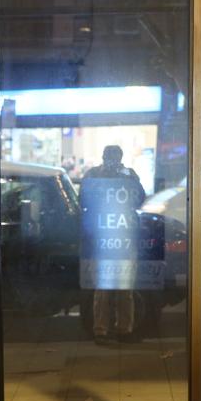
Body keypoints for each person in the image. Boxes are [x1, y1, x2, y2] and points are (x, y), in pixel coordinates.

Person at [80, 145, 146, 345]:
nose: (112, 162)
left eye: (115, 158)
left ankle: (123, 329)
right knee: (104, 288)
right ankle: (103, 330)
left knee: (124, 288)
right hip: (104, 236)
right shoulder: (93, 174)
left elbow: (139, 198)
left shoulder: (127, 175)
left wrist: (127, 177)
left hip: (121, 236)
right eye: (109, 157)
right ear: (103, 157)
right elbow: (84, 199)